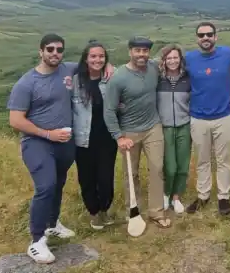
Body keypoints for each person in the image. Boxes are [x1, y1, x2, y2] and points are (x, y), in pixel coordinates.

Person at [6, 33, 79, 264]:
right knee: (46, 185)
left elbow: (93, 61)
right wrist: (48, 134)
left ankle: (52, 224)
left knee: (58, 183)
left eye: (59, 49)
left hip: (64, 142)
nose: (55, 53)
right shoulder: (27, 83)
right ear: (41, 52)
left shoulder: (68, 70)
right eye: (50, 49)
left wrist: (106, 65)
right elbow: (16, 120)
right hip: (37, 143)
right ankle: (36, 241)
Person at [103, 36, 172, 228]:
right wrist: (119, 136)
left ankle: (156, 212)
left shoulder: (153, 68)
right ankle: (132, 211)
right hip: (129, 132)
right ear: (130, 52)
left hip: (153, 127)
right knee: (131, 174)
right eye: (137, 51)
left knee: (157, 169)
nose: (141, 54)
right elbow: (109, 110)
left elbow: (171, 56)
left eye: (145, 51)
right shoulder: (118, 78)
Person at [184, 22, 230, 216]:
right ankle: (203, 195)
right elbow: (166, 64)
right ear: (197, 39)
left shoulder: (229, 54)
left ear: (216, 37)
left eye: (209, 34)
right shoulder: (189, 58)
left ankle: (223, 197)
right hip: (198, 117)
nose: (205, 38)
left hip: (223, 116)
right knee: (202, 160)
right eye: (201, 35)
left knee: (223, 159)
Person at [69, 40, 118, 231]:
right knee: (87, 178)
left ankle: (105, 208)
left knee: (106, 178)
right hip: (83, 139)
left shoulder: (111, 79)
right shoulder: (74, 81)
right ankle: (94, 213)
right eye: (93, 56)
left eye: (101, 56)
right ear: (86, 58)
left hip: (107, 139)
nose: (98, 60)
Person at [156, 43, 192, 214]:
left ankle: (176, 197)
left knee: (183, 165)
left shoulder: (188, 78)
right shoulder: (157, 78)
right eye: (168, 58)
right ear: (164, 60)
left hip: (184, 125)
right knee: (170, 166)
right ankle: (165, 194)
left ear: (180, 59)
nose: (172, 61)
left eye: (175, 57)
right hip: (164, 127)